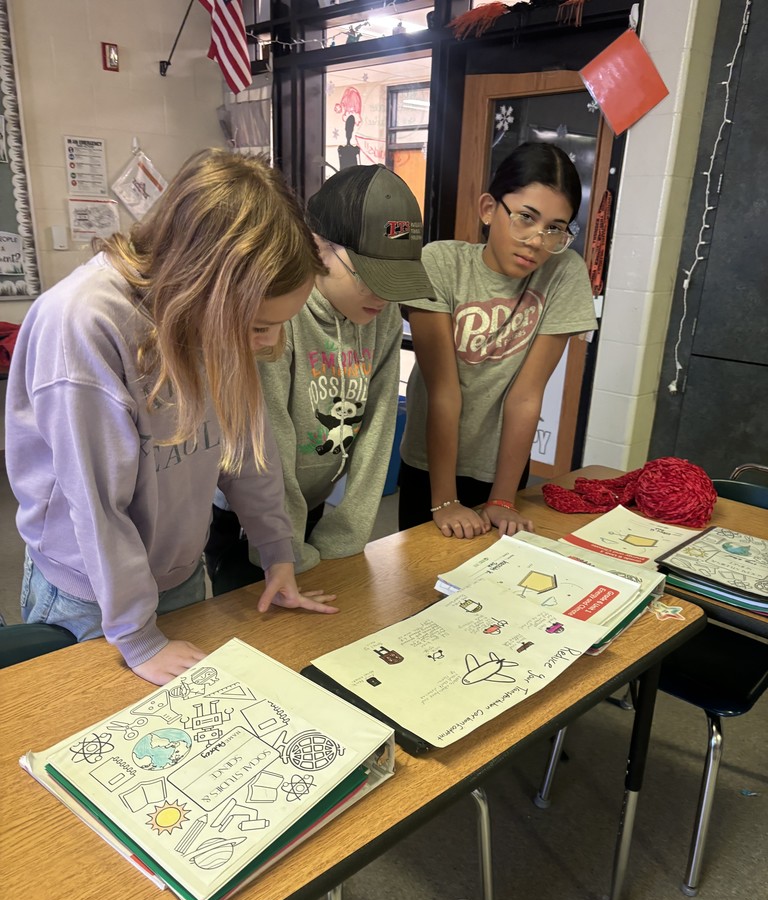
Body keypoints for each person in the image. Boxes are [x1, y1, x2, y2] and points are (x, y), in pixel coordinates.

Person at [5, 148, 338, 688]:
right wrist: (136, 635)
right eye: (257, 327)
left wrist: (279, 553)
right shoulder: (83, 324)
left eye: (280, 325)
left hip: (177, 572)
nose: (269, 344)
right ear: (198, 286)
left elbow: (248, 447)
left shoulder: (211, 316)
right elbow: (95, 506)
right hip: (90, 594)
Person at [207, 163, 435, 577]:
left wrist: (347, 534)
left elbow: (379, 428)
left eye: (395, 280)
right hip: (254, 514)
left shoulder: (379, 315)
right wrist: (287, 549)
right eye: (369, 276)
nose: (383, 295)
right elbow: (270, 435)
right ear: (317, 246)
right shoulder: (282, 312)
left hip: (311, 502)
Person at [398, 141, 597, 538]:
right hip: (430, 465)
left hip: (502, 465)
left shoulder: (563, 272)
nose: (537, 241)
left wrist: (504, 498)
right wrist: (445, 500)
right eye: (525, 217)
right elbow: (443, 390)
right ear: (489, 209)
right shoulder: (441, 263)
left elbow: (526, 395)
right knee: (421, 584)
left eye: (555, 228)